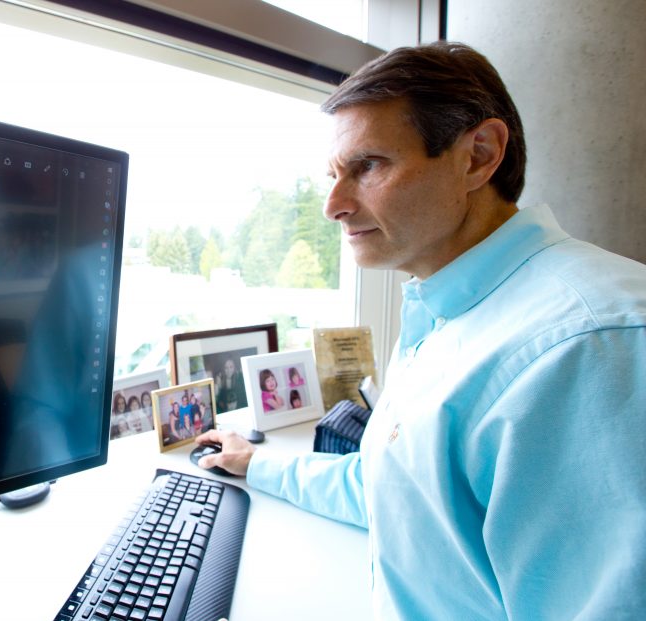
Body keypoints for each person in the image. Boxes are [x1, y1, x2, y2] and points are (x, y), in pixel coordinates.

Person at [197, 41, 646, 619]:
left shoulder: (589, 347)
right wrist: (256, 463)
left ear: (478, 156)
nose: (334, 204)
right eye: (334, 174)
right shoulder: (450, 310)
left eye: (368, 166)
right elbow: (398, 492)